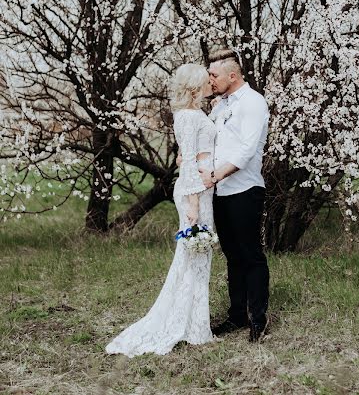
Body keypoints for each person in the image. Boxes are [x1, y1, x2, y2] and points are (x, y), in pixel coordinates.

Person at [105, 63, 216, 357]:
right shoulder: (189, 116)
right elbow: (189, 161)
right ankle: (186, 325)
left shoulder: (194, 114)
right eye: (206, 82)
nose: (210, 85)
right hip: (196, 193)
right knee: (194, 255)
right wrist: (193, 203)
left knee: (198, 258)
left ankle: (195, 324)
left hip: (202, 189)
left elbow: (184, 155)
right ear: (194, 88)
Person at [199, 49, 270, 343]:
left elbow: (246, 150)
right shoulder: (220, 105)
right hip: (222, 191)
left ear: (233, 75)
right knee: (232, 256)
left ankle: (258, 319)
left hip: (245, 189)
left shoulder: (253, 103)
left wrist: (216, 175)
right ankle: (237, 315)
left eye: (214, 75)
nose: (210, 80)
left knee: (251, 254)